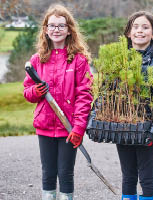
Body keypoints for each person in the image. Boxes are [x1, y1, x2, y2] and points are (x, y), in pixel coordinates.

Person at [23, 4, 93, 200]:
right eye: (52, 25)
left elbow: (84, 96)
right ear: (45, 29)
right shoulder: (37, 60)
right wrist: (35, 92)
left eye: (61, 26)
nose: (56, 29)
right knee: (48, 173)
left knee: (65, 173)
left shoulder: (79, 61)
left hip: (68, 127)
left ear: (69, 29)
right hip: (45, 125)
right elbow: (27, 92)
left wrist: (78, 128)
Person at [117, 11, 153, 200]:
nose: (140, 31)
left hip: (148, 130)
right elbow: (105, 96)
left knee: (146, 178)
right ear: (128, 33)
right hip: (123, 128)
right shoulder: (119, 61)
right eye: (135, 27)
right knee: (128, 177)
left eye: (145, 27)